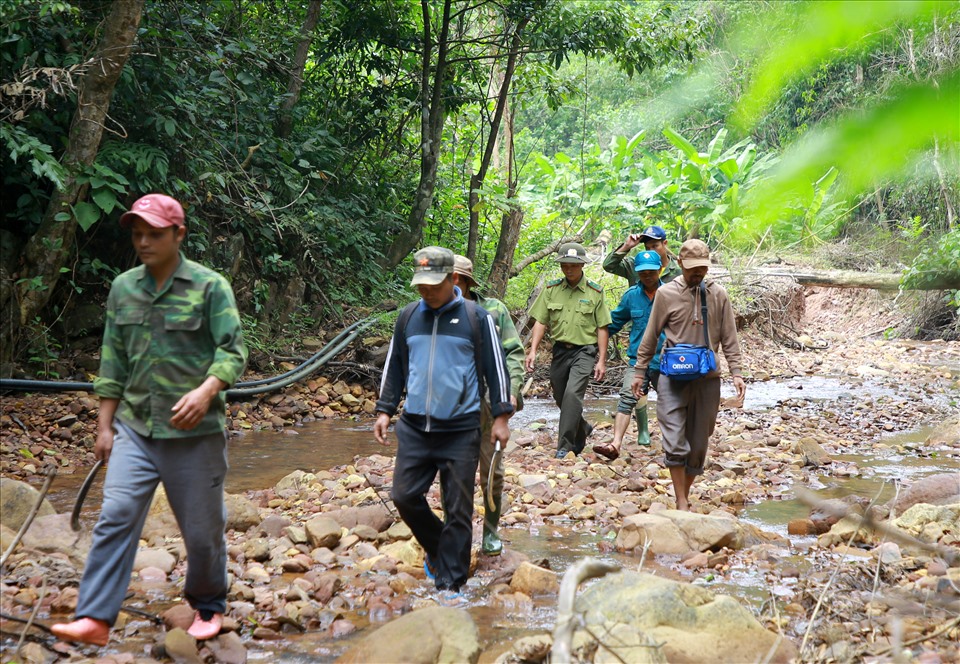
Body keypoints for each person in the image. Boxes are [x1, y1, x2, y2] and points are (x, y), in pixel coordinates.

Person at [52, 194, 248, 646]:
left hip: (194, 434)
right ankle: (96, 618)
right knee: (116, 515)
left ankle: (207, 605)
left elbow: (233, 351)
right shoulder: (124, 288)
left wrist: (206, 390)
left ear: (178, 234)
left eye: (154, 233)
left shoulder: (209, 286)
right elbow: (113, 360)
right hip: (135, 428)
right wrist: (104, 426)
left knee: (202, 532)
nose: (143, 241)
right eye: (137, 233)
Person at [374, 247, 513, 593]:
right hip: (416, 427)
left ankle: (451, 587)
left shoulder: (475, 318)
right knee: (404, 496)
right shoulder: (408, 317)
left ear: (453, 280)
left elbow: (496, 369)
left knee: (457, 509)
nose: (426, 292)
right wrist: (385, 409)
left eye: (433, 285)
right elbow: (395, 366)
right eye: (421, 285)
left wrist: (501, 417)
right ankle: (440, 548)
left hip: (460, 428)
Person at [631, 239, 746, 512]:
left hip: (708, 379)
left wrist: (737, 372)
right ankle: (681, 501)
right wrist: (639, 371)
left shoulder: (719, 294)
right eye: (693, 268)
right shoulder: (666, 294)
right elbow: (650, 335)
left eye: (703, 268)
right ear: (679, 263)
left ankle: (685, 491)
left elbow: (730, 337)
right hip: (672, 377)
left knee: (699, 444)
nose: (698, 273)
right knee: (674, 439)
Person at [451, 255, 525, 556]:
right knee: (454, 469)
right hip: (452, 403)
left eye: (456, 278)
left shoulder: (493, 310)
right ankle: (457, 530)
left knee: (491, 468)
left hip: (488, 400)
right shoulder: (435, 311)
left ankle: (491, 530)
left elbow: (514, 354)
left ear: (467, 281)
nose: (451, 283)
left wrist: (511, 393)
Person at [526, 242, 611, 459]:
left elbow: (602, 327)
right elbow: (541, 321)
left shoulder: (594, 292)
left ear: (582, 265)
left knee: (573, 395)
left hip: (584, 351)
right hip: (560, 351)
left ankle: (564, 445)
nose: (569, 269)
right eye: (565, 265)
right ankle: (582, 427)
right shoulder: (552, 290)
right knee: (560, 395)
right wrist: (533, 350)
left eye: (574, 265)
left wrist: (601, 360)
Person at [593, 251, 665, 461]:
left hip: (667, 360)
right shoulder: (632, 296)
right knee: (626, 398)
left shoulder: (671, 293)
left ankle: (678, 444)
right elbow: (613, 323)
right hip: (638, 361)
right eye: (643, 273)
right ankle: (615, 444)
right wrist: (591, 340)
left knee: (672, 402)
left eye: (651, 272)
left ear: (660, 270)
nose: (647, 276)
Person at [602, 225, 681, 286]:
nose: (651, 251)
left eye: (655, 246)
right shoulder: (635, 265)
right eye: (647, 247)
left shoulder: (679, 269)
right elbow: (608, 265)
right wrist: (626, 246)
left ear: (664, 243)